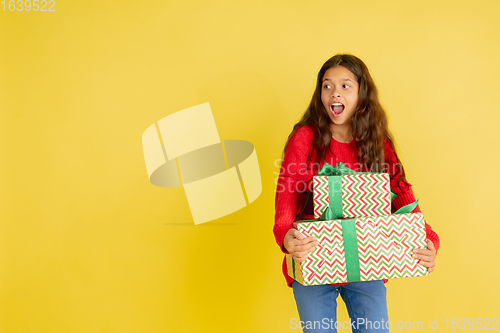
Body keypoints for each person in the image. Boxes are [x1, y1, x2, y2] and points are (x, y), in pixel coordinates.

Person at [273, 54, 440, 333]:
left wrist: (428, 238)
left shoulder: (377, 143)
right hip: (313, 255)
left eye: (345, 86)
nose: (334, 92)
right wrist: (284, 233)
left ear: (362, 93)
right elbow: (289, 187)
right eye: (327, 86)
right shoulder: (305, 137)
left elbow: (399, 192)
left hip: (367, 260)